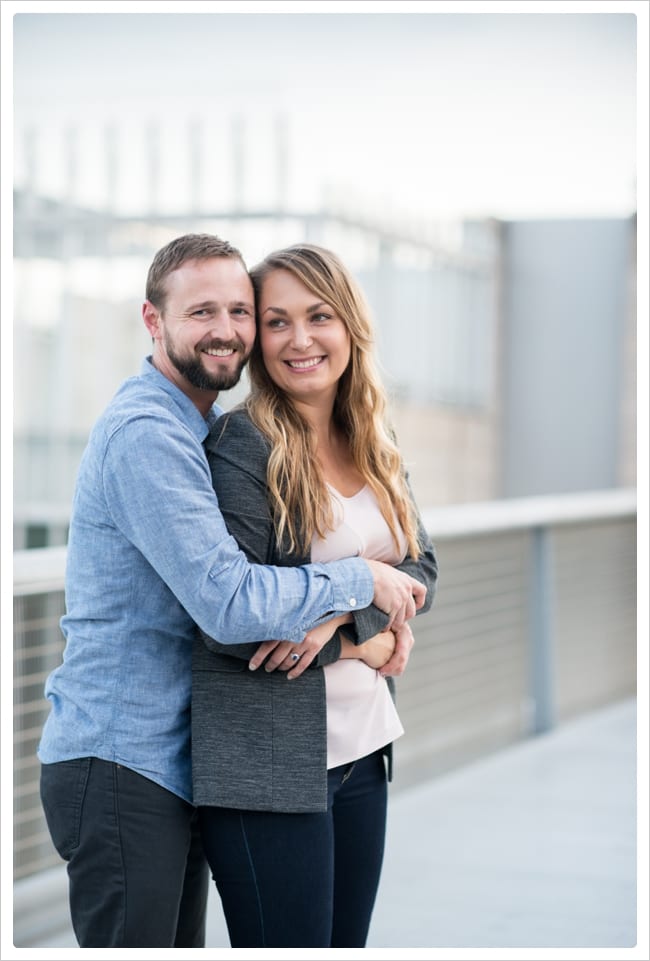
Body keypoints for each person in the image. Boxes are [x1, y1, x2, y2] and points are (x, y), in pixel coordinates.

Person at [37, 233, 428, 949]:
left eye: (239, 311)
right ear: (153, 322)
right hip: (124, 754)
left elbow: (418, 562)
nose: (229, 329)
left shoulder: (204, 425)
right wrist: (361, 587)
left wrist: (346, 622)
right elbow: (227, 605)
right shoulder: (156, 435)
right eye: (202, 311)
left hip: (180, 754)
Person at [192, 243, 438, 948]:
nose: (299, 339)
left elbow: (423, 566)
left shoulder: (371, 437)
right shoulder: (244, 443)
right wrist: (365, 636)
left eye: (319, 316)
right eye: (277, 321)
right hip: (267, 766)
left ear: (349, 326)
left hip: (363, 748)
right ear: (258, 339)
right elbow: (232, 625)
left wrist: (339, 615)